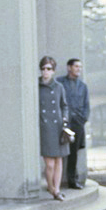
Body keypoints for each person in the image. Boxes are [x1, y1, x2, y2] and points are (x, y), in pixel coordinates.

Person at [38, 55, 70, 200]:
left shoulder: (59, 87)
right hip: (45, 127)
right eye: (43, 68)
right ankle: (51, 187)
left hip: (58, 126)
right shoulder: (36, 87)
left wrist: (64, 117)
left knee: (58, 160)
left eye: (49, 69)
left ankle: (56, 190)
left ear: (53, 71)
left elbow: (64, 105)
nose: (46, 71)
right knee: (49, 164)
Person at [58, 58, 90, 190]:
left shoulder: (83, 86)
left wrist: (82, 120)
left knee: (73, 154)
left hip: (77, 123)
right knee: (58, 152)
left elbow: (86, 106)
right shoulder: (59, 82)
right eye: (76, 66)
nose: (79, 69)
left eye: (80, 67)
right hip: (62, 122)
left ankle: (72, 180)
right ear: (69, 68)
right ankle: (55, 182)